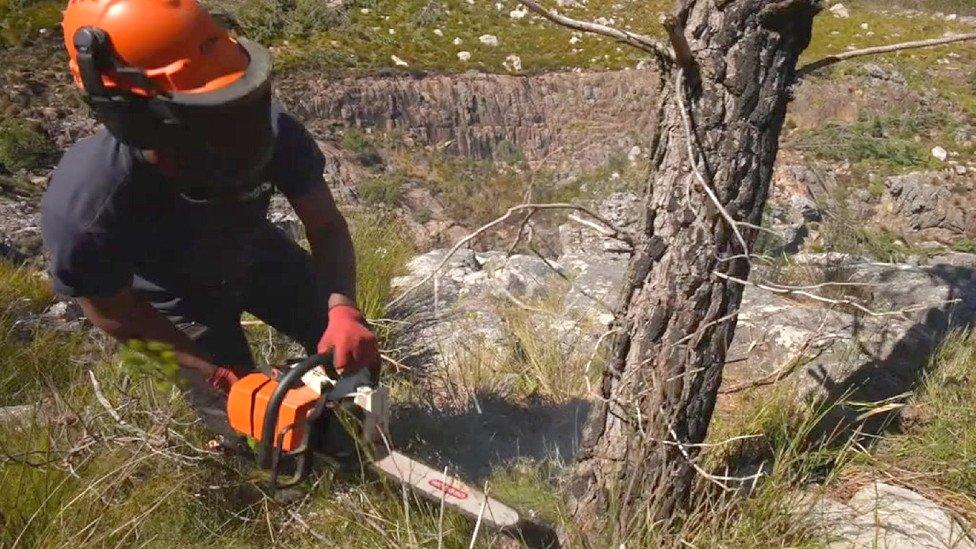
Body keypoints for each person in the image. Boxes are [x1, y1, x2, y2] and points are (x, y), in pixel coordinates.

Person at [40, 0, 379, 440]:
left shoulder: (269, 130)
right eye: (211, 113)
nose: (236, 128)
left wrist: (343, 309)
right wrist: (219, 377)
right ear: (135, 113)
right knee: (256, 430)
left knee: (355, 357)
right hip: (170, 303)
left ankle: (363, 438)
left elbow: (326, 226)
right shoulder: (87, 208)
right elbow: (114, 315)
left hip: (255, 253)